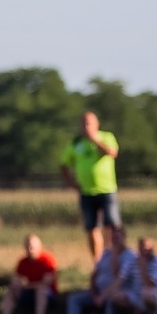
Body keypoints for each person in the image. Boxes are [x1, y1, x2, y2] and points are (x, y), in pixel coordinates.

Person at [59, 111, 120, 262]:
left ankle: (110, 258)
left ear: (97, 124)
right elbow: (64, 164)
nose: (86, 127)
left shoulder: (106, 137)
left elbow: (112, 152)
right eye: (84, 124)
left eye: (89, 123)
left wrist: (95, 140)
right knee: (92, 228)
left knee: (111, 226)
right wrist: (72, 184)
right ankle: (98, 262)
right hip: (86, 192)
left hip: (107, 190)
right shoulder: (76, 143)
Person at [68, 224, 136, 314]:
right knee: (74, 299)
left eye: (117, 237)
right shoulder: (105, 253)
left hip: (116, 293)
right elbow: (95, 274)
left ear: (124, 238)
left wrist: (114, 254)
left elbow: (118, 276)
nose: (115, 240)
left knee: (112, 298)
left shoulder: (130, 256)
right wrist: (93, 292)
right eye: (113, 237)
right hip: (98, 292)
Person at [0, 234, 58, 314]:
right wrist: (23, 286)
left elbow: (46, 282)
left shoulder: (47, 260)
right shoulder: (23, 262)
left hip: (48, 296)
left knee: (41, 290)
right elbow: (15, 280)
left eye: (32, 247)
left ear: (39, 247)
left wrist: (27, 285)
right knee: (11, 289)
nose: (30, 250)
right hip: (29, 294)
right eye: (28, 247)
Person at [125, 237, 157, 314]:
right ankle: (137, 312)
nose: (146, 251)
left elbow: (149, 284)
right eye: (143, 248)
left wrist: (143, 268)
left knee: (147, 293)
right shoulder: (133, 262)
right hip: (137, 294)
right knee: (118, 295)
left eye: (148, 248)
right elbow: (123, 276)